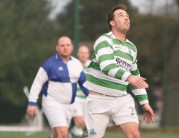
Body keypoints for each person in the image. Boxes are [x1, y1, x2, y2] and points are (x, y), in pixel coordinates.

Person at [83, 4, 154, 138]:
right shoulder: (104, 40)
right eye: (121, 16)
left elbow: (136, 78)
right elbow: (107, 66)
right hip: (97, 100)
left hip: (121, 99)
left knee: (134, 134)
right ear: (112, 22)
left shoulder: (132, 47)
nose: (126, 18)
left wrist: (145, 103)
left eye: (127, 16)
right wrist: (129, 77)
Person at [26, 36, 89, 138]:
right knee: (63, 133)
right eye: (62, 45)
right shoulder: (49, 64)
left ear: (72, 47)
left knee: (57, 135)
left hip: (69, 106)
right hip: (52, 103)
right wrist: (32, 102)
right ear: (57, 47)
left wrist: (95, 99)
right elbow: (37, 83)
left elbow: (84, 84)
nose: (65, 47)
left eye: (68, 45)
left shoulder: (77, 64)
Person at [69, 46, 91, 138]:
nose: (83, 55)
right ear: (78, 54)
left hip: (88, 98)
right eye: (81, 52)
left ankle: (73, 134)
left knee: (84, 125)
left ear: (88, 55)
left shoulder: (92, 66)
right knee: (79, 122)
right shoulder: (72, 64)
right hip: (75, 98)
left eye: (85, 53)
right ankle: (79, 135)